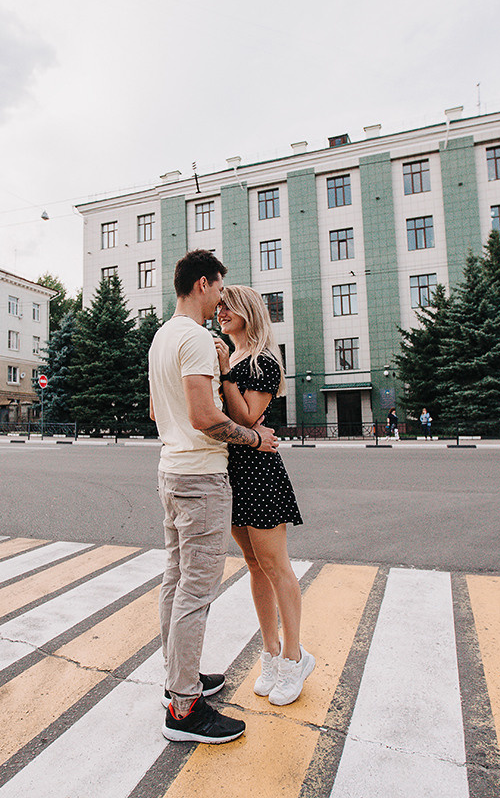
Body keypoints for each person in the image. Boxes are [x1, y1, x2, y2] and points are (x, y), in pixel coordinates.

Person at [148, 250, 279, 744]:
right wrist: (255, 439)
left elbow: (161, 415)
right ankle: (184, 710)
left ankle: (178, 680)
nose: (222, 299)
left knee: (176, 580)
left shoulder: (162, 337)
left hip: (170, 472)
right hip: (201, 478)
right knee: (195, 591)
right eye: (220, 290)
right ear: (203, 285)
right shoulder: (198, 340)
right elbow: (205, 417)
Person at [214, 285, 314, 706]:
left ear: (249, 312)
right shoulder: (231, 356)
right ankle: (270, 653)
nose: (220, 313)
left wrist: (222, 375)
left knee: (275, 565)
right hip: (232, 471)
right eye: (218, 307)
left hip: (260, 472)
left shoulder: (264, 361)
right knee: (253, 565)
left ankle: (294, 657)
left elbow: (247, 418)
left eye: (228, 307)